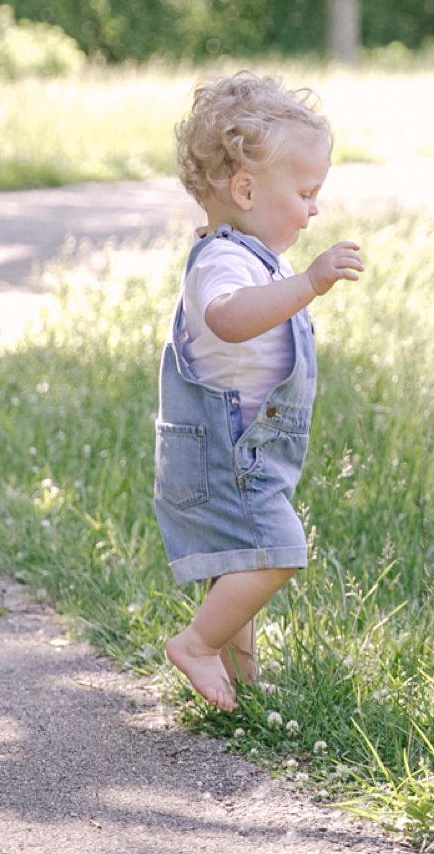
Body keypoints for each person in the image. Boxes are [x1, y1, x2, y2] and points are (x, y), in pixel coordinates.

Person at [156, 72, 363, 711]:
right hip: (226, 450)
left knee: (239, 557)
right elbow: (229, 318)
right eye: (305, 193)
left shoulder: (252, 255)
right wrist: (309, 284)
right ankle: (196, 644)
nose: (314, 210)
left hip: (244, 446)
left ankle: (239, 677)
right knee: (276, 552)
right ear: (245, 190)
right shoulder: (225, 261)